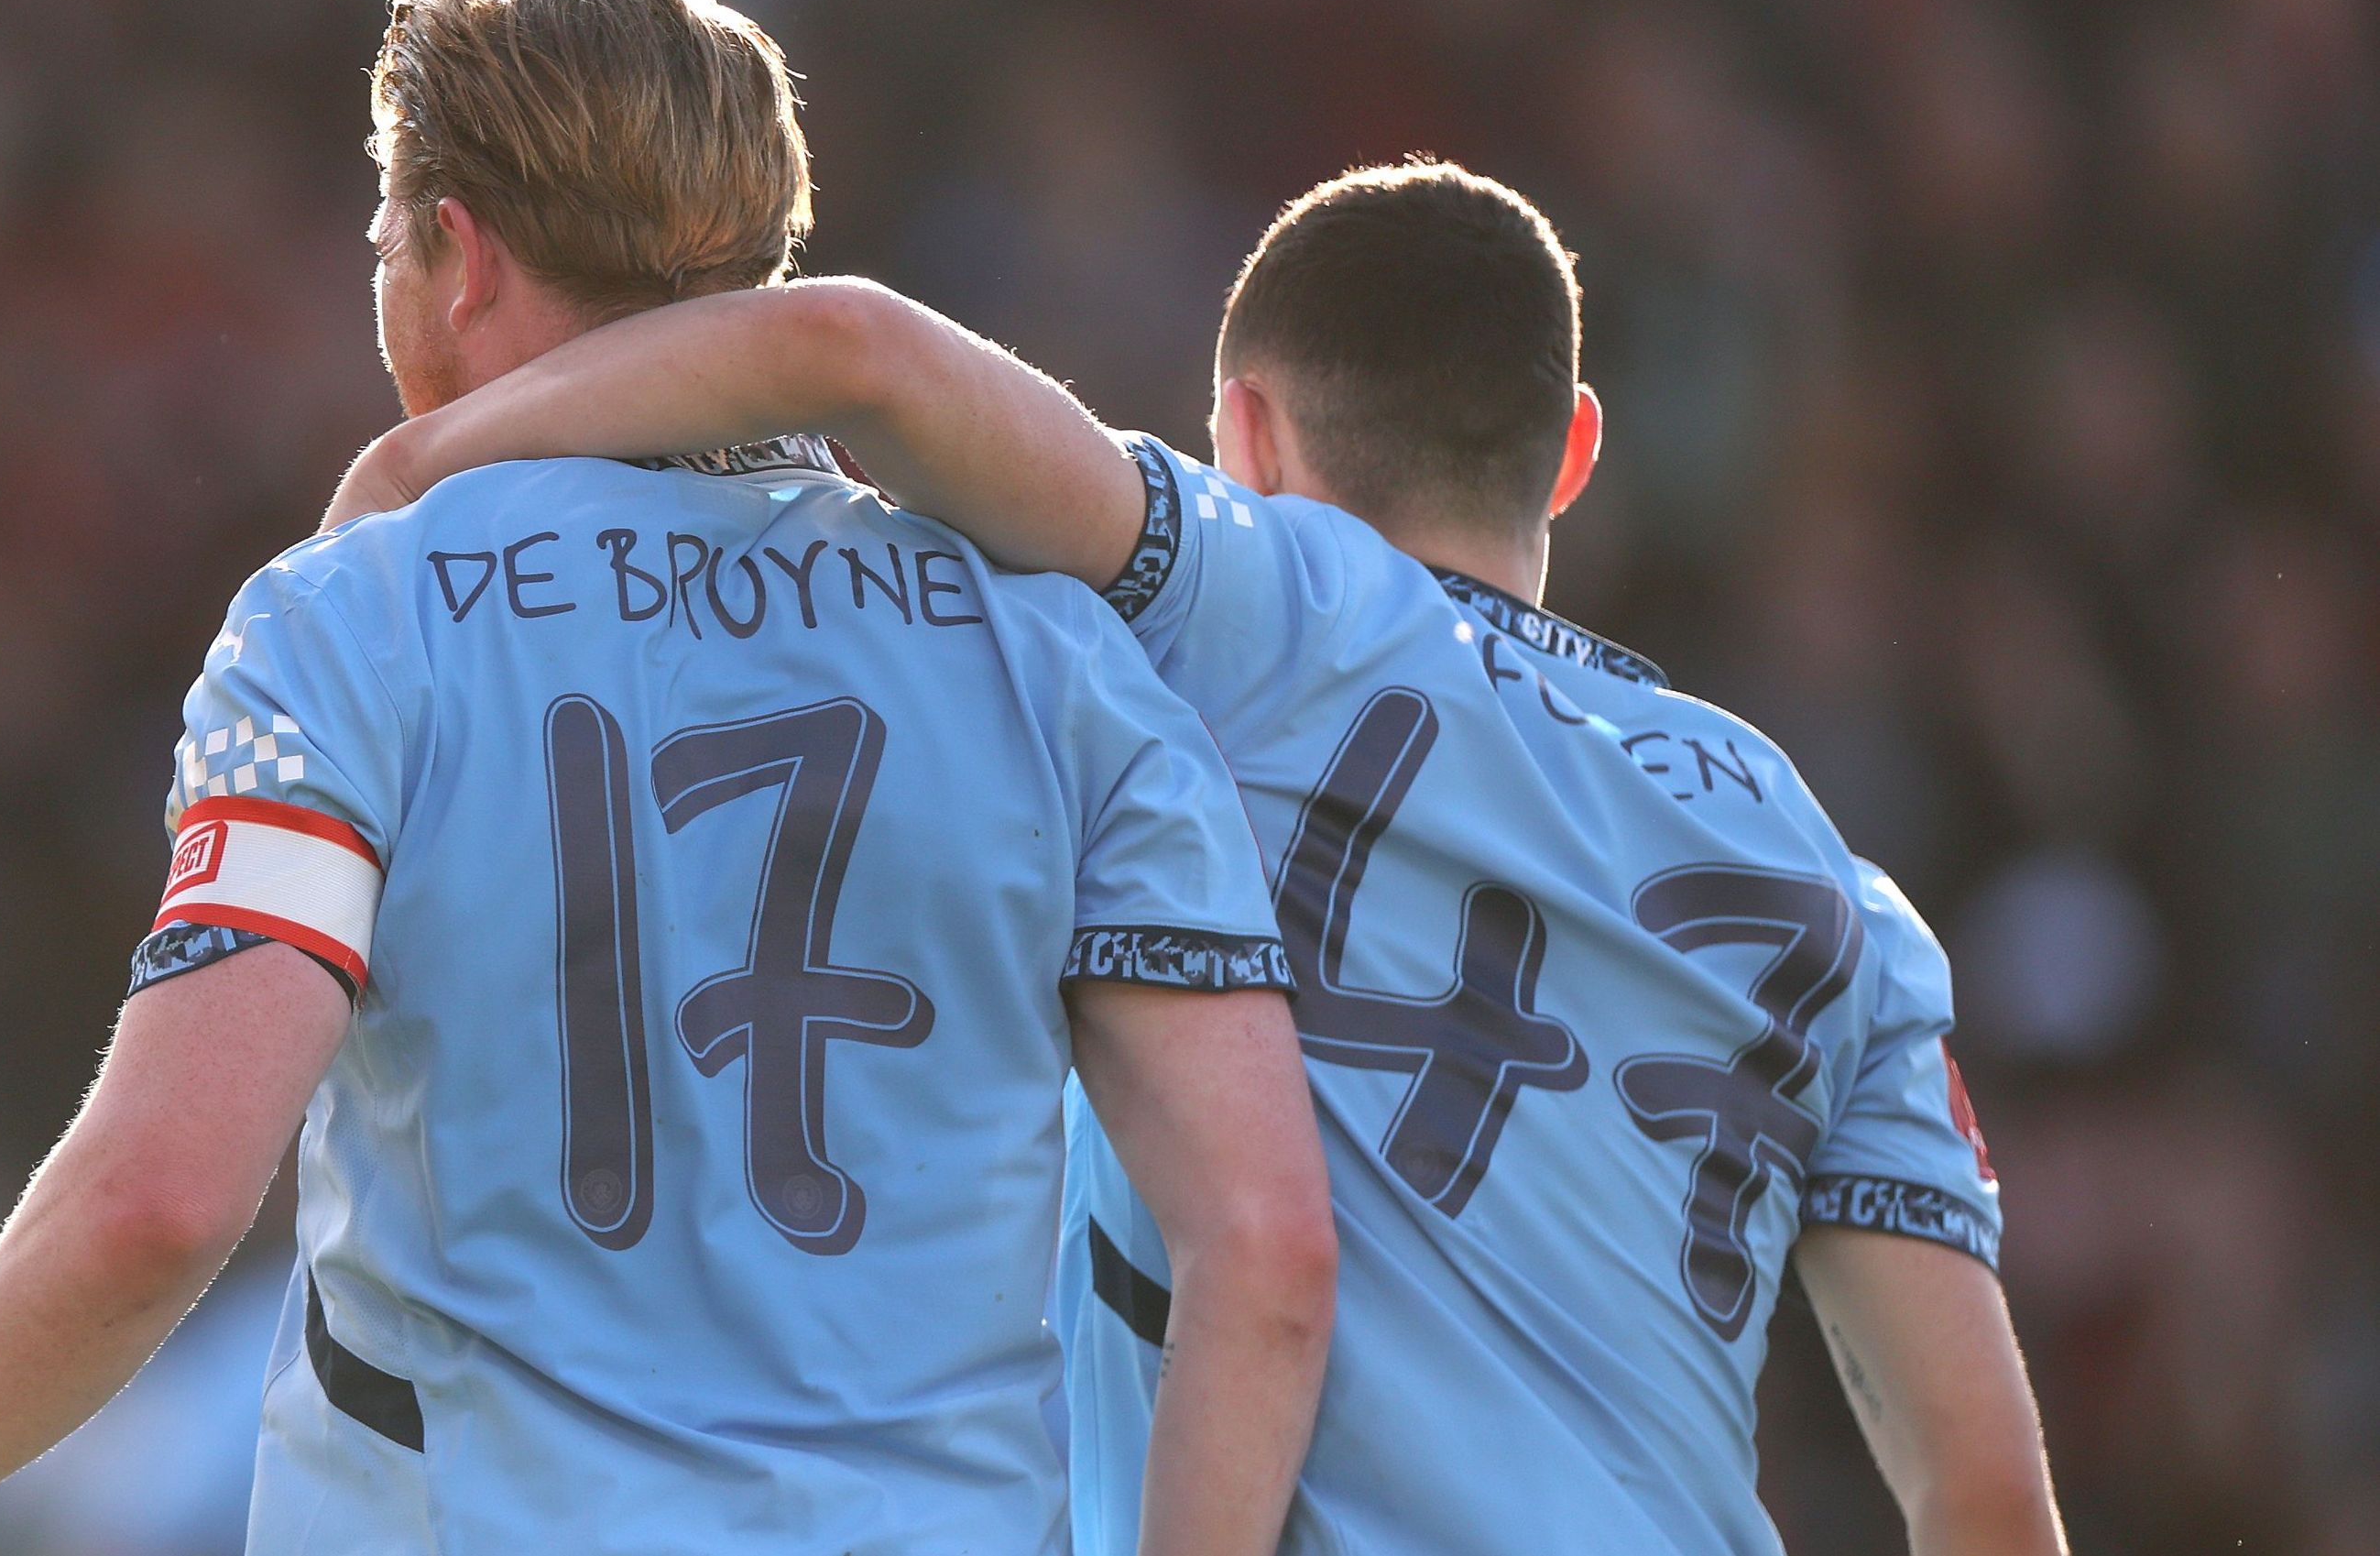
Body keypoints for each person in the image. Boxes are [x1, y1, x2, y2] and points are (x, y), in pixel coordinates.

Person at [0, 0, 1335, 1556]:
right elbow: (1269, 1252)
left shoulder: (356, 617)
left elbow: (156, 1203)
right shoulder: (1060, 657)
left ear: (457, 255)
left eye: (383, 237)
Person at [329, 161, 2071, 1555]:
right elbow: (1985, 1497)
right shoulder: (1830, 877)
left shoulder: (1273, 616)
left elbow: (858, 349)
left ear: (1242, 433)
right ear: (1575, 452)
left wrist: (424, 456)